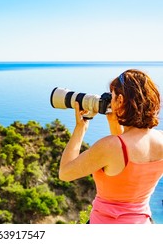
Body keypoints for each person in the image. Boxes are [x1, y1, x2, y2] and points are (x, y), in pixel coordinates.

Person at [59, 69, 163, 224]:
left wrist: (80, 128)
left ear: (120, 100)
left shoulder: (110, 146)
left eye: (112, 97)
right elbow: (124, 157)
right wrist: (114, 122)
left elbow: (65, 172)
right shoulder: (160, 138)